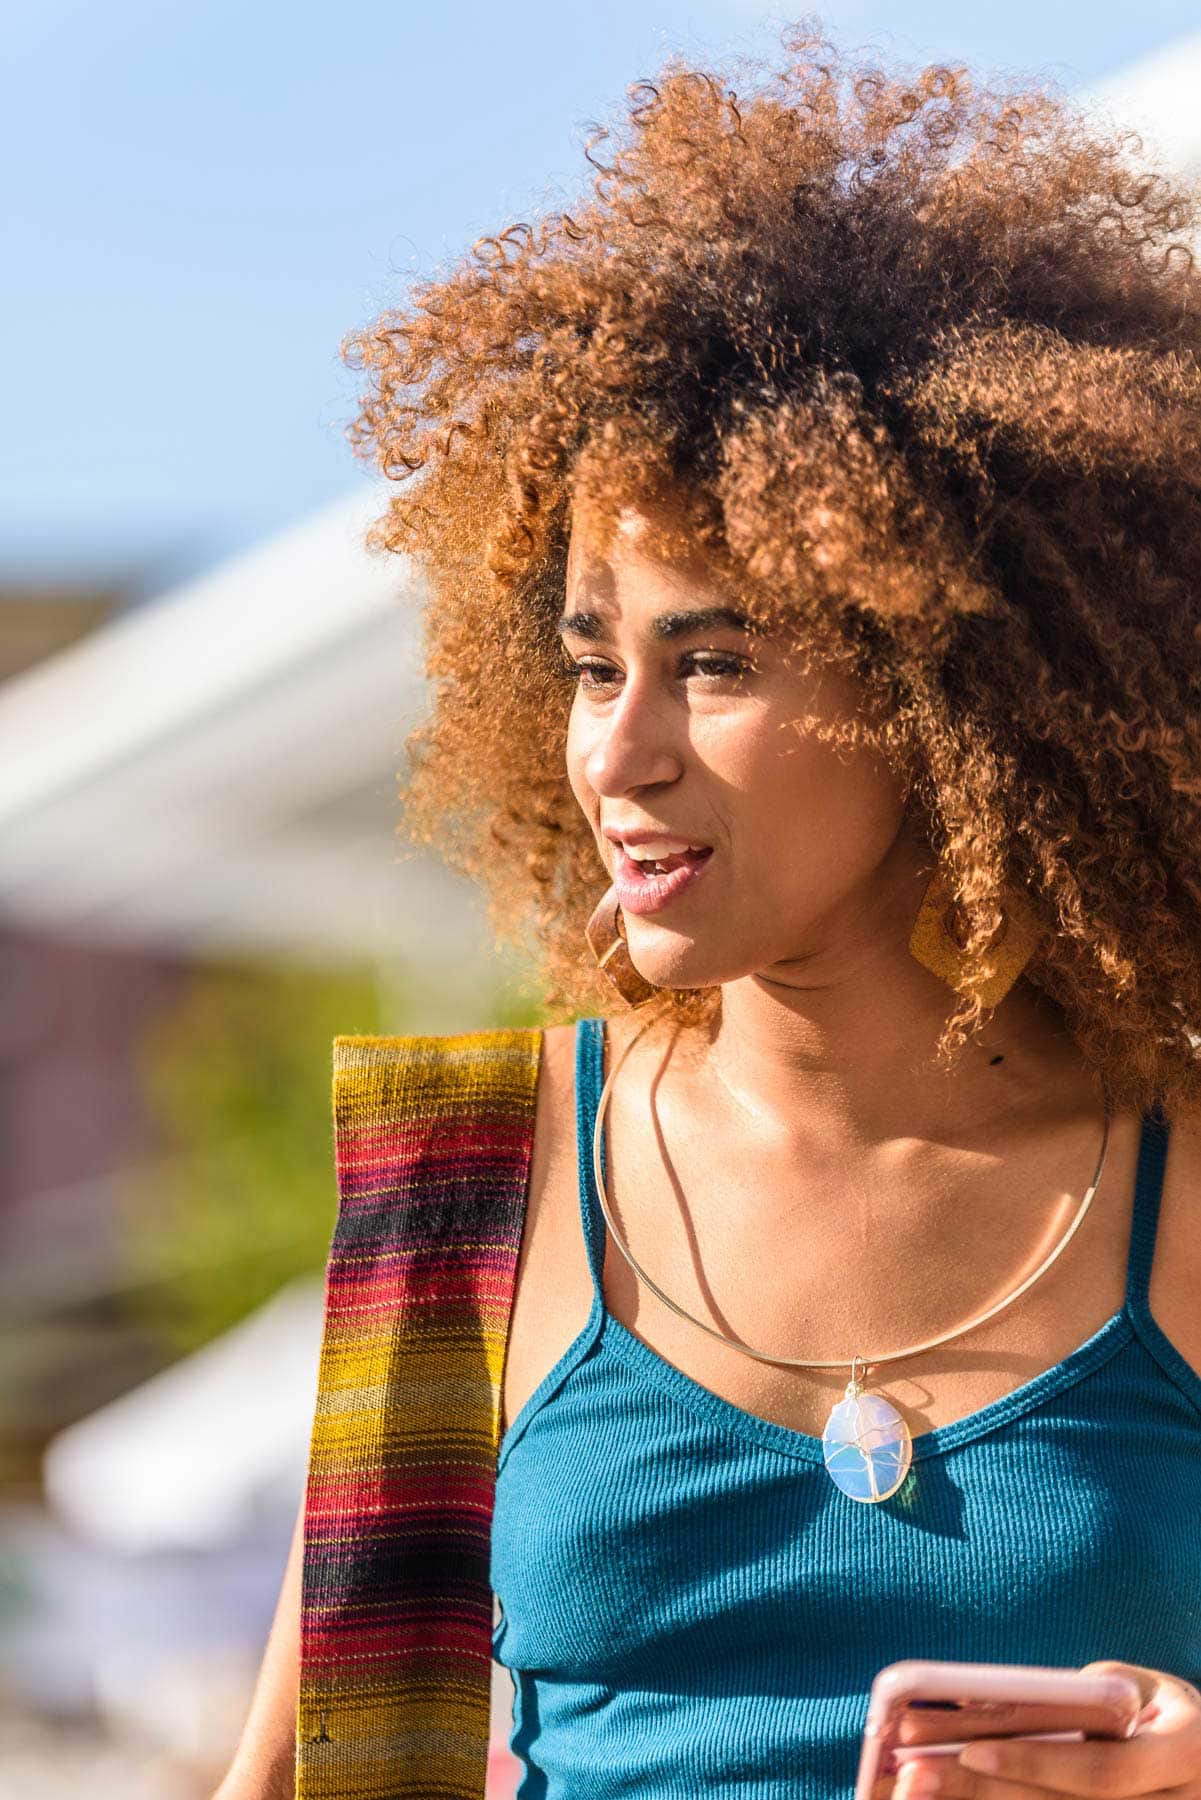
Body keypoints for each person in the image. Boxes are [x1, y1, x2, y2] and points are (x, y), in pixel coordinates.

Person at [214, 24, 1201, 1800]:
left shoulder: (1185, 1163)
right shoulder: (469, 1175)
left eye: (714, 662)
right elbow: (312, 1778)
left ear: (959, 689)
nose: (619, 751)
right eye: (593, 666)